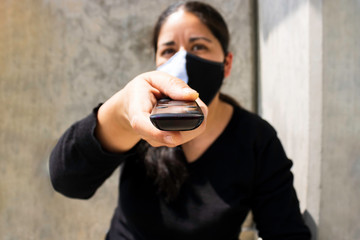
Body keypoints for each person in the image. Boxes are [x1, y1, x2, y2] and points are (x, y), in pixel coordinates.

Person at [49, 1, 311, 240]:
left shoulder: (255, 138)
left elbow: (286, 231)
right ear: (155, 63)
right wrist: (121, 115)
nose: (182, 59)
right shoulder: (140, 117)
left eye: (199, 46)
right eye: (168, 50)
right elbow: (68, 180)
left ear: (227, 63)